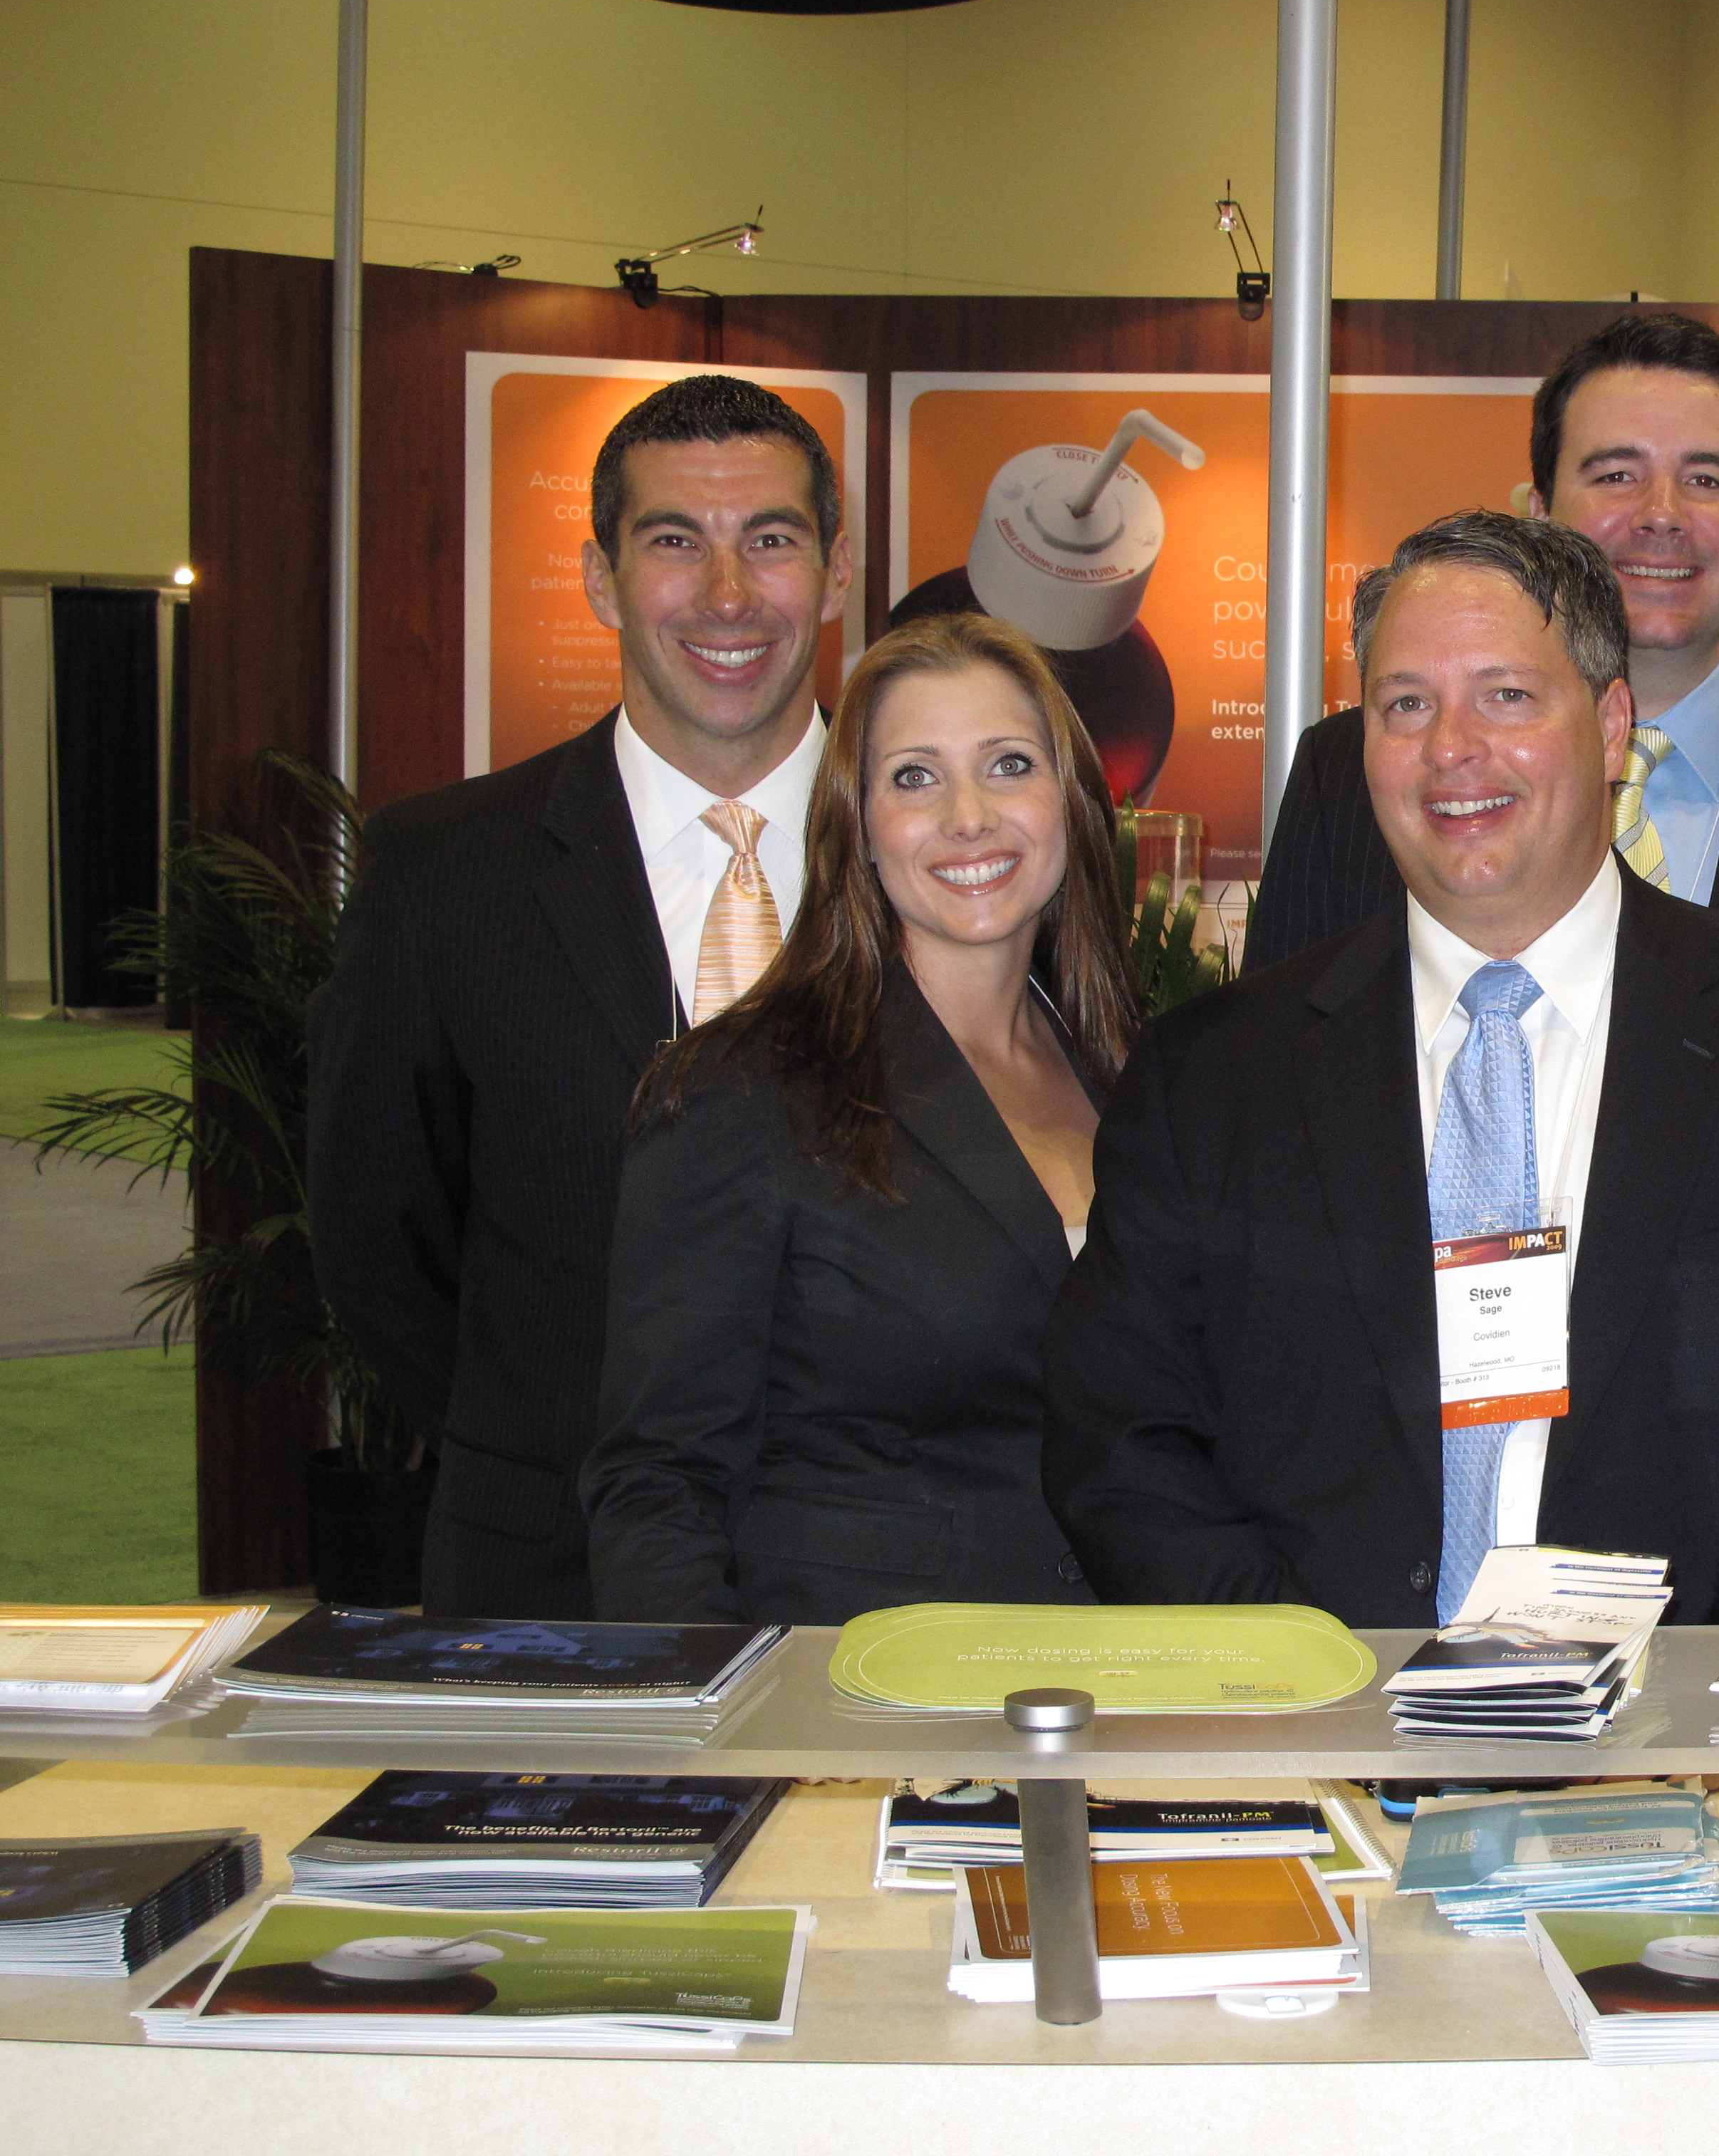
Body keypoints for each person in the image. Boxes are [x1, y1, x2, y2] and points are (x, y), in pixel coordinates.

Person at [1040, 509, 1719, 1624]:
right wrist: (1298, 1684)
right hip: (1321, 1746)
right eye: (1405, 703)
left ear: (1612, 729)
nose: (1451, 748)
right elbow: (1121, 1435)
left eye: (1507, 696)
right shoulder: (1210, 1080)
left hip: (1688, 1756)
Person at [311, 375, 848, 1617]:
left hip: (882, 1591)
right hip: (547, 1572)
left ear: (833, 572)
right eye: (675, 541)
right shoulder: (445, 873)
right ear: (603, 579)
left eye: (770, 538)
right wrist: (542, 1431)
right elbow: (375, 1234)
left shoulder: (946, 855)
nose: (727, 593)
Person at [582, 614, 1137, 1624]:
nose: (969, 817)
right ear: (858, 826)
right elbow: (659, 1492)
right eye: (915, 777)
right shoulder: (742, 1091)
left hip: (1114, 1699)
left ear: (1072, 804)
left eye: (1009, 764)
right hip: (855, 1716)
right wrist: (741, 1763)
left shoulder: (1132, 1079)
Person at [1246, 312, 1719, 964]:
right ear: (1538, 516)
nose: (1662, 514)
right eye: (1618, 474)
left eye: (1708, 480)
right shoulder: (1348, 782)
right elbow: (1278, 1076)